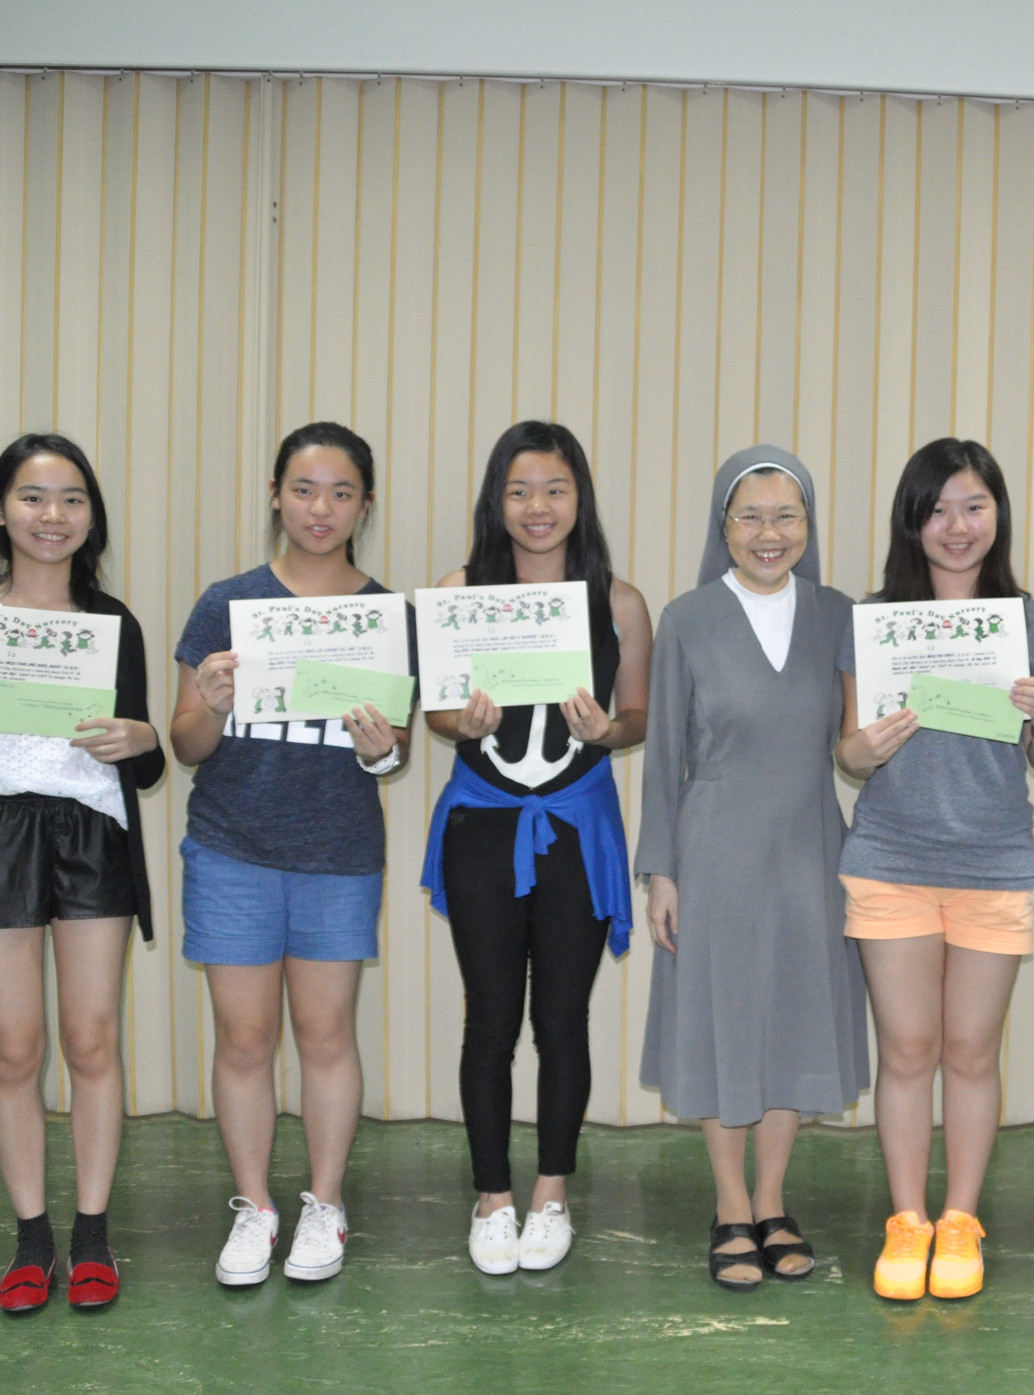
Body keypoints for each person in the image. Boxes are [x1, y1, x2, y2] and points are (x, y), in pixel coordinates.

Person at [0, 433, 163, 1312]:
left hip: (92, 831)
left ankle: (91, 1235)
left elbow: (146, 765)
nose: (54, 516)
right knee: (14, 1046)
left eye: (73, 499)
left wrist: (142, 737)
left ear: (92, 515)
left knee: (91, 1039)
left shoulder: (113, 621)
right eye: (34, 497)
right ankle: (30, 1239)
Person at [170, 421, 415, 1288]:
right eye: (304, 489)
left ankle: (324, 1202)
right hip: (231, 848)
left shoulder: (387, 616)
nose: (321, 508)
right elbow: (185, 744)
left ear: (365, 505)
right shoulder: (226, 603)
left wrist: (382, 749)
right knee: (244, 1038)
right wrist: (208, 702)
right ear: (275, 495)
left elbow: (393, 754)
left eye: (342, 492)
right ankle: (255, 1207)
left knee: (325, 1033)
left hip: (338, 853)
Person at [833, 439, 1034, 1301]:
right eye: (937, 510)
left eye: (974, 506)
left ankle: (961, 1219)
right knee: (907, 1050)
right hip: (890, 859)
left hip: (993, 862)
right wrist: (865, 746)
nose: (957, 526)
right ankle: (907, 1220)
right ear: (913, 521)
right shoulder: (873, 620)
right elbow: (848, 752)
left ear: (998, 513)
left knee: (971, 1050)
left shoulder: (1031, 623)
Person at [420, 422, 653, 1275]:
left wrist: (607, 730)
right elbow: (437, 712)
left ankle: (552, 1191)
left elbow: (638, 714)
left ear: (579, 497)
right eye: (518, 490)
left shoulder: (618, 600)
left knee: (562, 1018)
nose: (537, 507)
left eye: (555, 488)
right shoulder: (460, 590)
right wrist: (463, 721)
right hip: (481, 824)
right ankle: (492, 1196)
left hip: (576, 827)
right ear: (496, 500)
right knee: (490, 1017)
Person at [637, 446, 869, 1292]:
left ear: (808, 525)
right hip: (714, 849)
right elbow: (663, 754)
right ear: (724, 526)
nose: (769, 534)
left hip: (811, 845)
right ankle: (730, 1204)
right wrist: (662, 872)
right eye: (750, 517)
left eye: (786, 516)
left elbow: (857, 738)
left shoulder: (840, 615)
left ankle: (773, 1199)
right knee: (721, 1017)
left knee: (795, 1017)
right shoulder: (687, 618)